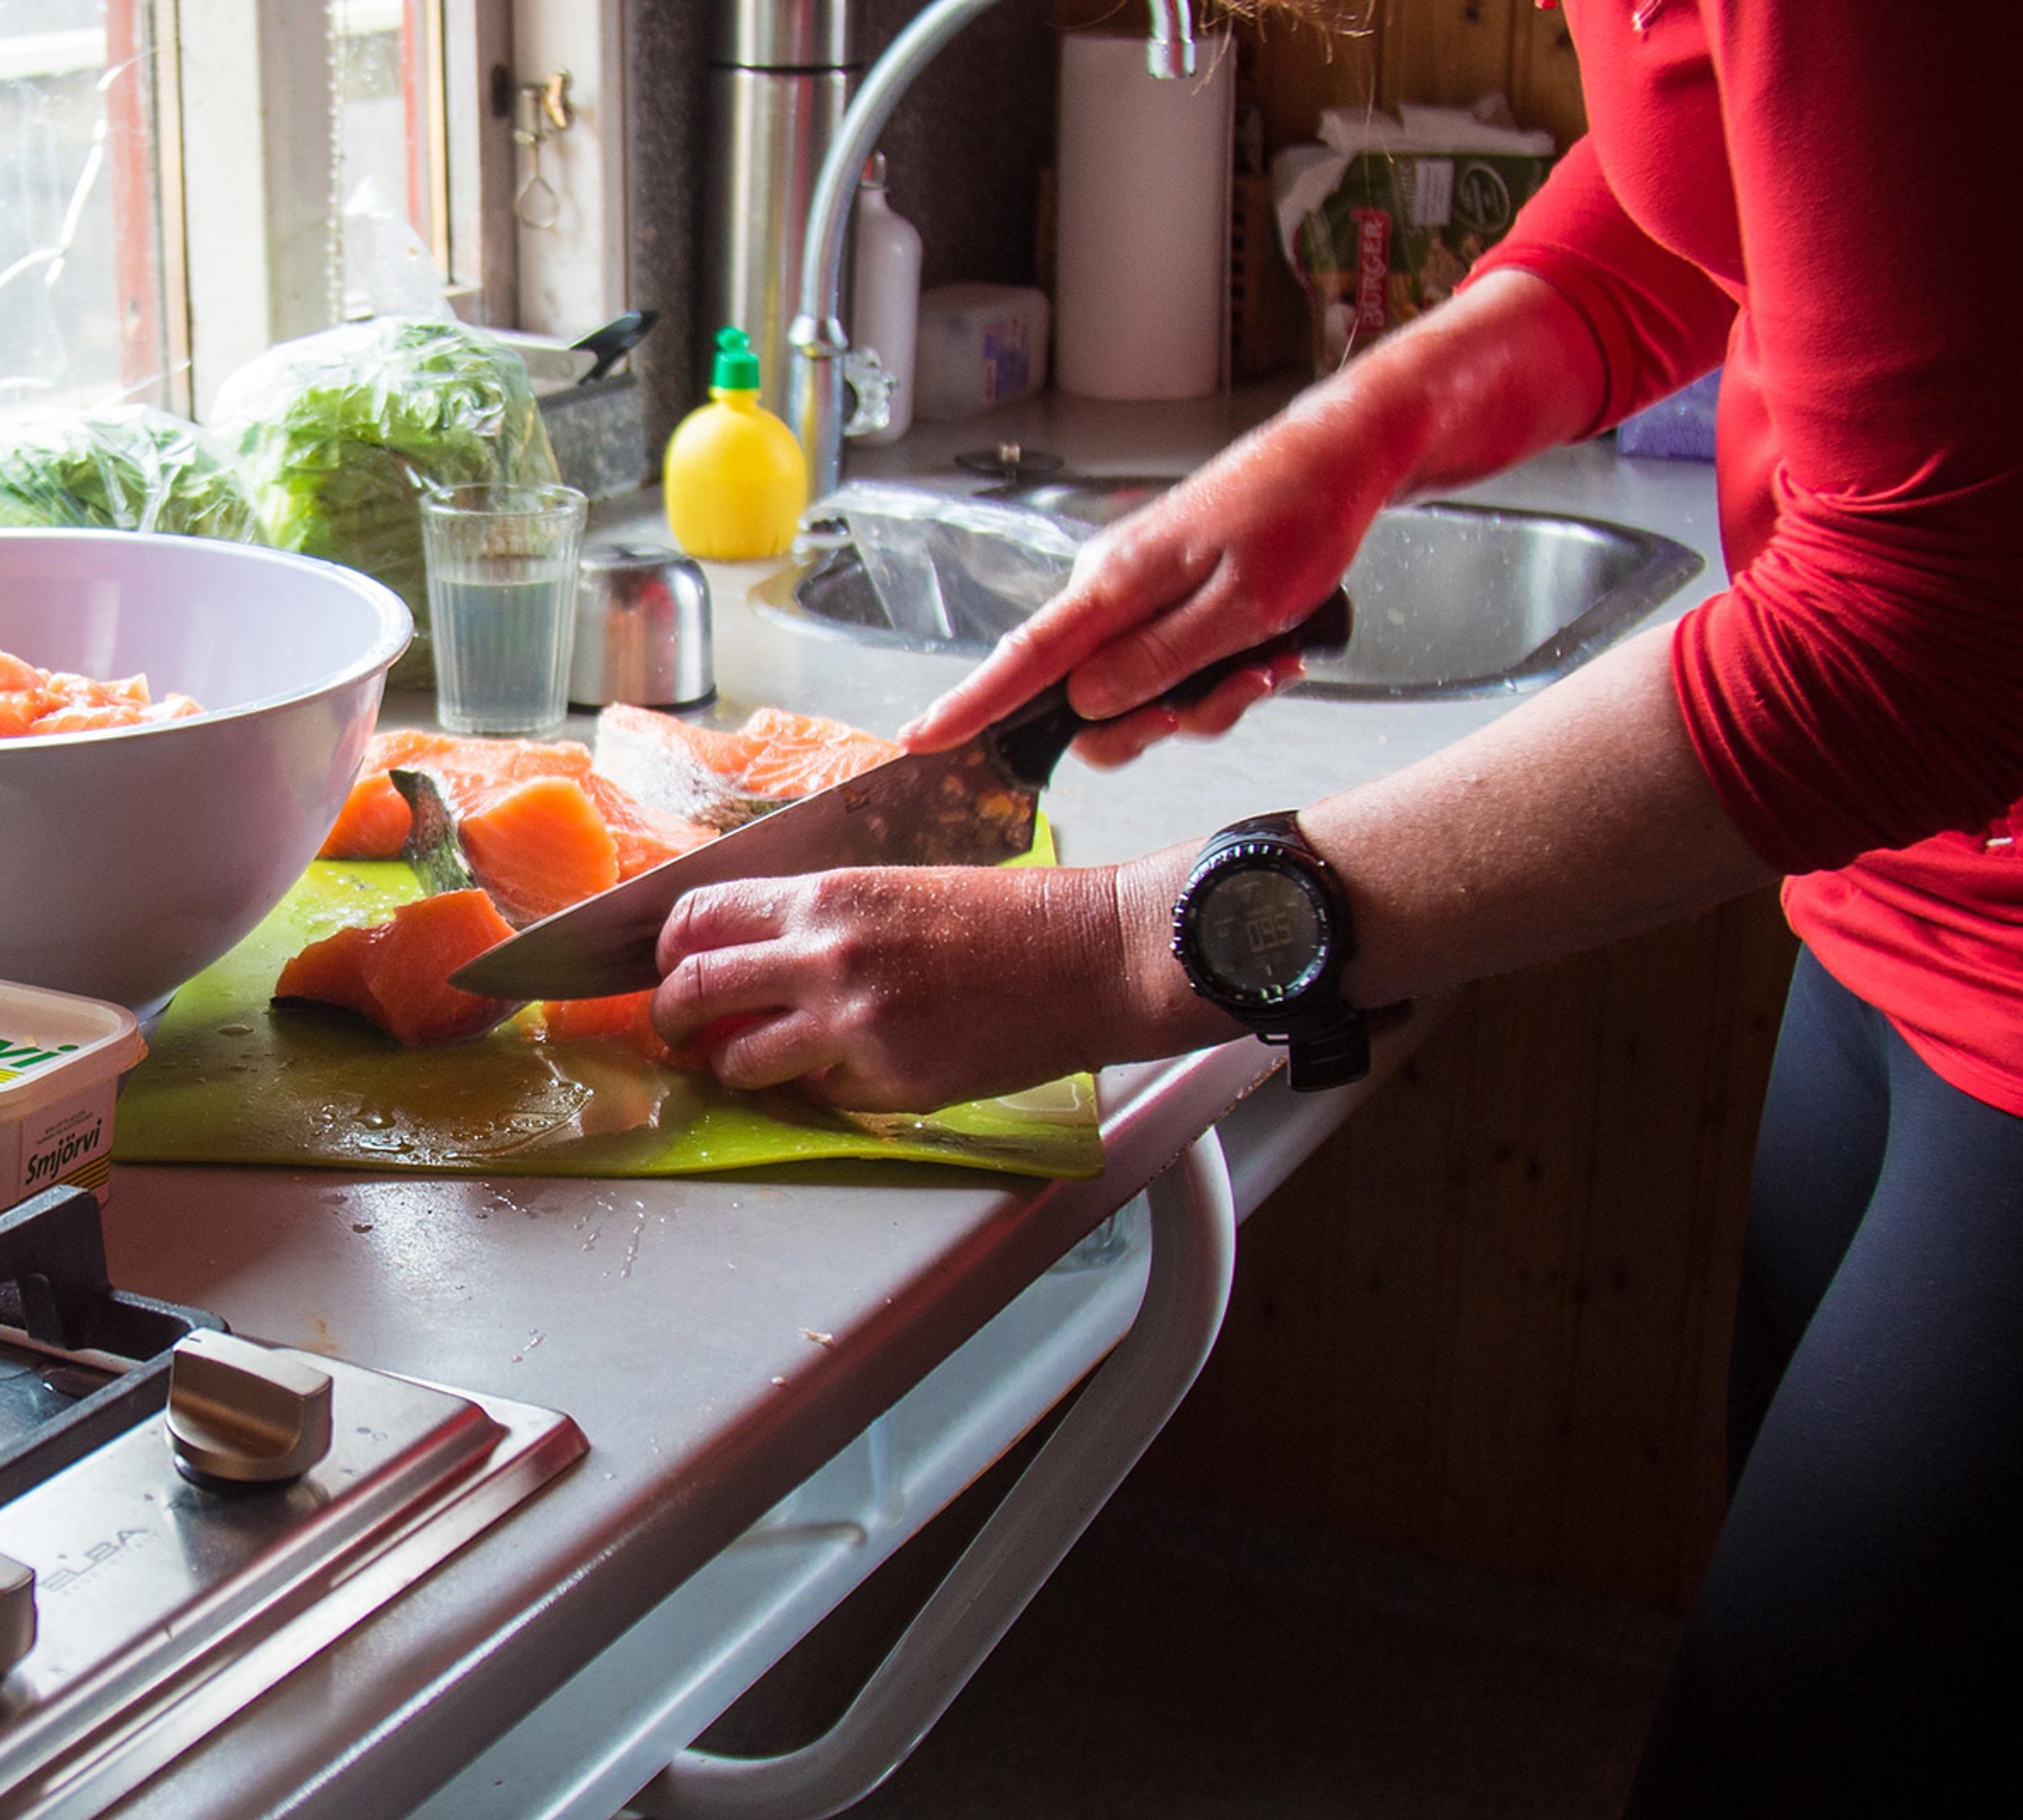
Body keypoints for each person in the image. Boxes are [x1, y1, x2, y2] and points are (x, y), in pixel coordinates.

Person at [646, 2, 2023, 1811]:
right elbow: (1713, 179)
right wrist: (1360, 437)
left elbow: (1933, 632)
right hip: (1898, 927)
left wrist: (1122, 944)